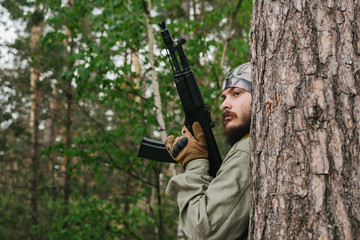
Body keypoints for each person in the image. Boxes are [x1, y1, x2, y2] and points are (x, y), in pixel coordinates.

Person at [165, 62, 252, 240]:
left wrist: (195, 164)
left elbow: (202, 230)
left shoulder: (247, 151)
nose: (224, 105)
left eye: (237, 93)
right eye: (223, 97)